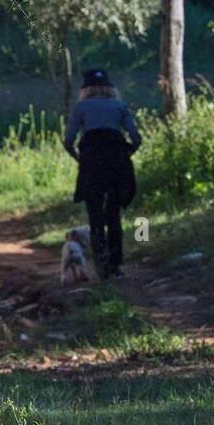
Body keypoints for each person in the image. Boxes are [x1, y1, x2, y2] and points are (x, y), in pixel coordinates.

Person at [63, 68, 141, 279]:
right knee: (113, 215)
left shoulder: (81, 108)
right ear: (109, 87)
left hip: (91, 165)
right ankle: (116, 265)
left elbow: (68, 141)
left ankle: (101, 267)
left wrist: (79, 159)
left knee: (95, 217)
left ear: (85, 90)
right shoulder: (119, 106)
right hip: (117, 163)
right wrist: (126, 155)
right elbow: (136, 138)